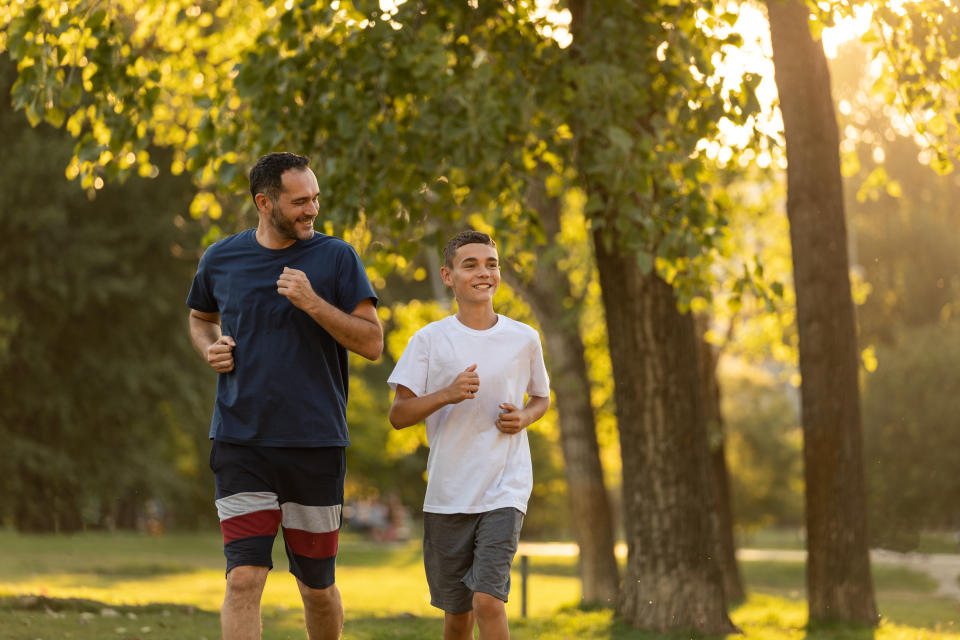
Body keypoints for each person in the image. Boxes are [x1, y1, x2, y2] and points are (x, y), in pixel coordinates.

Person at [186, 152, 383, 640]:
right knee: (244, 578)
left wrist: (312, 302)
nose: (312, 209)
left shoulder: (336, 257)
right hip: (240, 440)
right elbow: (200, 318)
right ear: (264, 202)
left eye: (315, 198)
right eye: (300, 201)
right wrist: (212, 349)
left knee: (315, 587)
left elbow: (372, 343)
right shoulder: (220, 258)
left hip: (314, 444)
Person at [387, 230, 550, 640]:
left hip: (505, 488)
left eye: (492, 263)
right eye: (471, 264)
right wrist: (447, 394)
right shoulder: (428, 340)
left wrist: (525, 418)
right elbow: (399, 415)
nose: (484, 272)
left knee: (488, 602)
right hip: (448, 493)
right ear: (448, 275)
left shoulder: (524, 338)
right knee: (457, 616)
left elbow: (542, 398)